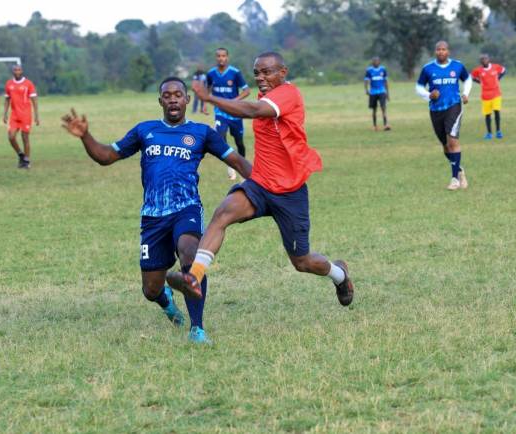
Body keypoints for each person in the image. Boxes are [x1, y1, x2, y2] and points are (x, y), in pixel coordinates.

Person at [60, 77, 252, 344]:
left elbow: (236, 160)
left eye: (178, 94)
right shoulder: (145, 130)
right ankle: (166, 301)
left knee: (190, 251)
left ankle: (197, 328)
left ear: (186, 100)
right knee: (150, 289)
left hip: (187, 209)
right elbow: (106, 156)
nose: (173, 99)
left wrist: (264, 184)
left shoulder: (201, 133)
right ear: (160, 101)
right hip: (153, 216)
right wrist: (85, 136)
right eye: (167, 95)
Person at [166, 52, 355, 313]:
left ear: (283, 72)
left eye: (267, 72)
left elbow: (254, 111)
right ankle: (194, 277)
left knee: (302, 261)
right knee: (222, 213)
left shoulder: (288, 95)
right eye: (257, 73)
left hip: (290, 192)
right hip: (260, 184)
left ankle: (340, 275)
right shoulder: (265, 94)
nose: (261, 78)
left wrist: (210, 98)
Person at [415, 41, 472, 191]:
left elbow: (468, 79)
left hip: (454, 106)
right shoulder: (428, 68)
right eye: (438, 50)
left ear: (448, 51)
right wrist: (429, 94)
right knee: (446, 146)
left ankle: (454, 180)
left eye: (444, 49)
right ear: (435, 52)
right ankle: (459, 170)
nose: (441, 52)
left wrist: (466, 94)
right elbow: (419, 87)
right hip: (436, 109)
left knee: (452, 141)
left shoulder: (457, 66)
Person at [206, 47, 250, 180]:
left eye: (223, 56)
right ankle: (230, 164)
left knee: (239, 142)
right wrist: (204, 105)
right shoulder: (211, 74)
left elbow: (246, 91)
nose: (221, 58)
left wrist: (233, 102)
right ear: (216, 58)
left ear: (227, 57)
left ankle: (243, 167)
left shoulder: (235, 73)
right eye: (218, 56)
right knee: (220, 135)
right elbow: (207, 90)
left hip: (235, 113)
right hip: (220, 111)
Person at [3, 65, 39, 169]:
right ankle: (21, 154)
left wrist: (36, 115)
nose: (17, 72)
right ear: (12, 71)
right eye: (15, 70)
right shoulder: (9, 84)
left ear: (22, 71)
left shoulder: (28, 83)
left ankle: (26, 161)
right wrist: (5, 113)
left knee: (25, 138)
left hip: (25, 115)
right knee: (11, 137)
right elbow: (7, 100)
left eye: (19, 70)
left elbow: (34, 100)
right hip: (14, 115)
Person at [471, 54, 506, 140]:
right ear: (481, 62)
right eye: (482, 60)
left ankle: (498, 131)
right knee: (487, 115)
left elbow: (504, 70)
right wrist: (479, 82)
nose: (484, 61)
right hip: (485, 96)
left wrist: (498, 78)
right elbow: (471, 76)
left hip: (496, 94)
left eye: (485, 59)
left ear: (488, 59)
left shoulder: (495, 67)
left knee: (497, 112)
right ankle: (489, 133)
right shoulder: (478, 70)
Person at [364, 56, 390, 131]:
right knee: (374, 109)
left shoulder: (383, 69)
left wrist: (387, 93)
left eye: (377, 61)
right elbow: (366, 81)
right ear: (372, 62)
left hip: (382, 91)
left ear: (379, 62)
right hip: (373, 92)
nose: (376, 62)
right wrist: (366, 90)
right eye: (374, 61)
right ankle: (375, 125)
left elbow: (385, 81)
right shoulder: (369, 70)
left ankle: (386, 125)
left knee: (383, 108)